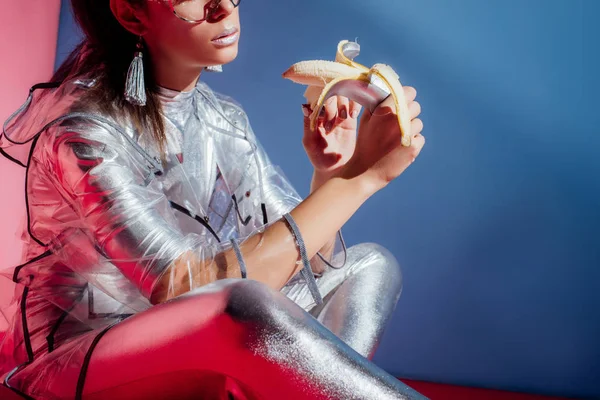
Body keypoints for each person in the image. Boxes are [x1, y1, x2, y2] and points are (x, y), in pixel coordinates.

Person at [0, 0, 427, 399]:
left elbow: (311, 265)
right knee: (244, 303)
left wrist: (329, 175)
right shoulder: (84, 133)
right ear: (131, 15)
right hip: (84, 364)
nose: (224, 7)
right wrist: (358, 182)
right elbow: (183, 287)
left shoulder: (224, 118)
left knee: (371, 263)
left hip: (195, 342)